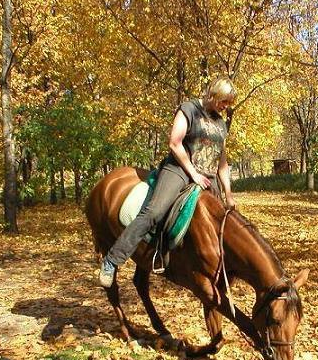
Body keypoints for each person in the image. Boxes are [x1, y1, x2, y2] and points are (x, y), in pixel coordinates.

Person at [99, 76, 237, 287]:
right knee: (154, 212)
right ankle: (113, 259)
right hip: (180, 169)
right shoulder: (189, 109)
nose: (226, 107)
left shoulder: (220, 123)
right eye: (224, 101)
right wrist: (193, 173)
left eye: (229, 103)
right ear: (213, 94)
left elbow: (222, 160)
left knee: (224, 224)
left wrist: (228, 193)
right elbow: (175, 143)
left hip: (209, 178)